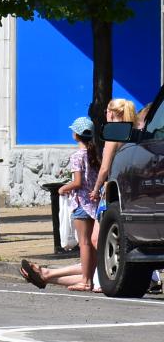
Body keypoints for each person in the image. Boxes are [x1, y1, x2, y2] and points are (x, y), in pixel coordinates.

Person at [23, 107, 128, 293]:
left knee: (84, 243)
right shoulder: (94, 154)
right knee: (91, 243)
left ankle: (86, 280)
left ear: (76, 135)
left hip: (81, 203)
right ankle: (66, 276)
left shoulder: (77, 156)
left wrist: (64, 188)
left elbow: (78, 182)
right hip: (94, 204)